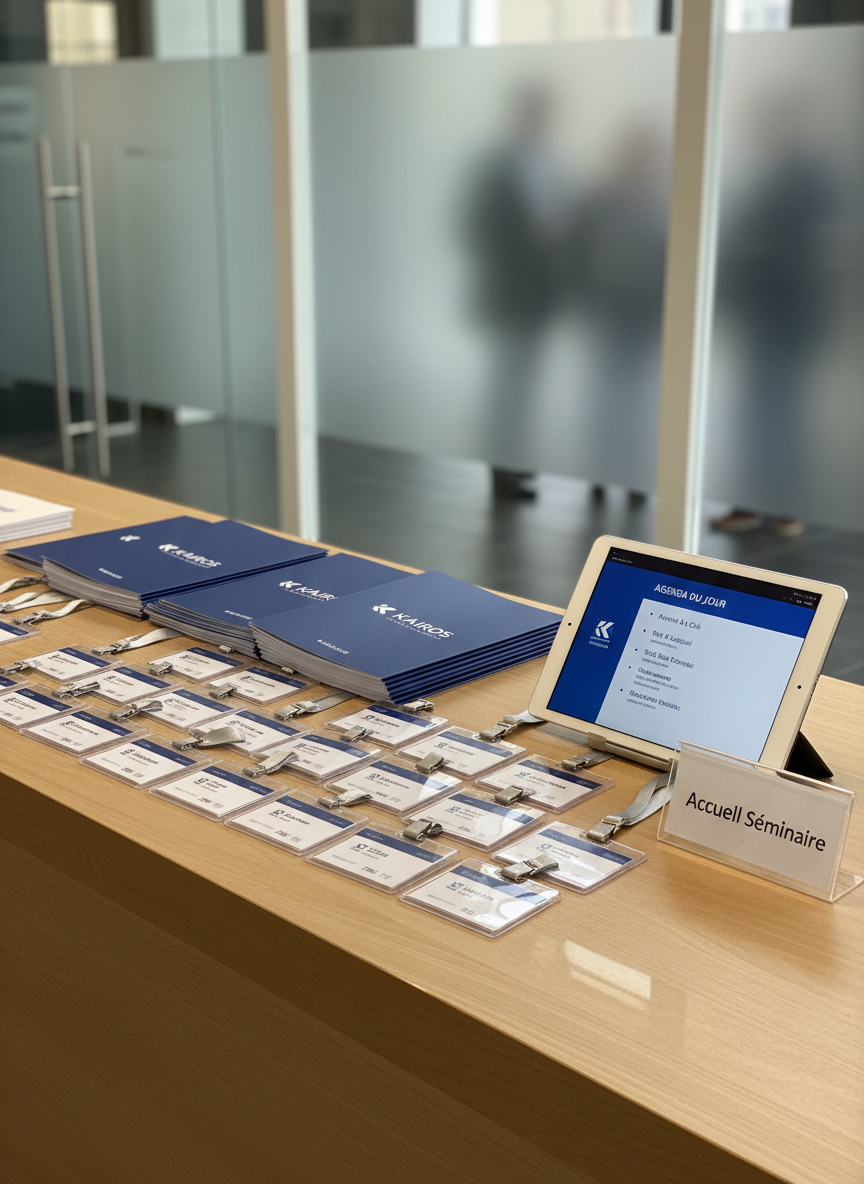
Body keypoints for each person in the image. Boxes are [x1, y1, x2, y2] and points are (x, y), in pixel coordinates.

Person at [462, 87, 568, 500]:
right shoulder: (498, 165)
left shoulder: (551, 163)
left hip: (541, 292)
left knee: (528, 380)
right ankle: (503, 468)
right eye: (538, 110)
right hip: (509, 290)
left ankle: (516, 461)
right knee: (506, 381)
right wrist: (525, 238)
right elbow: (474, 224)